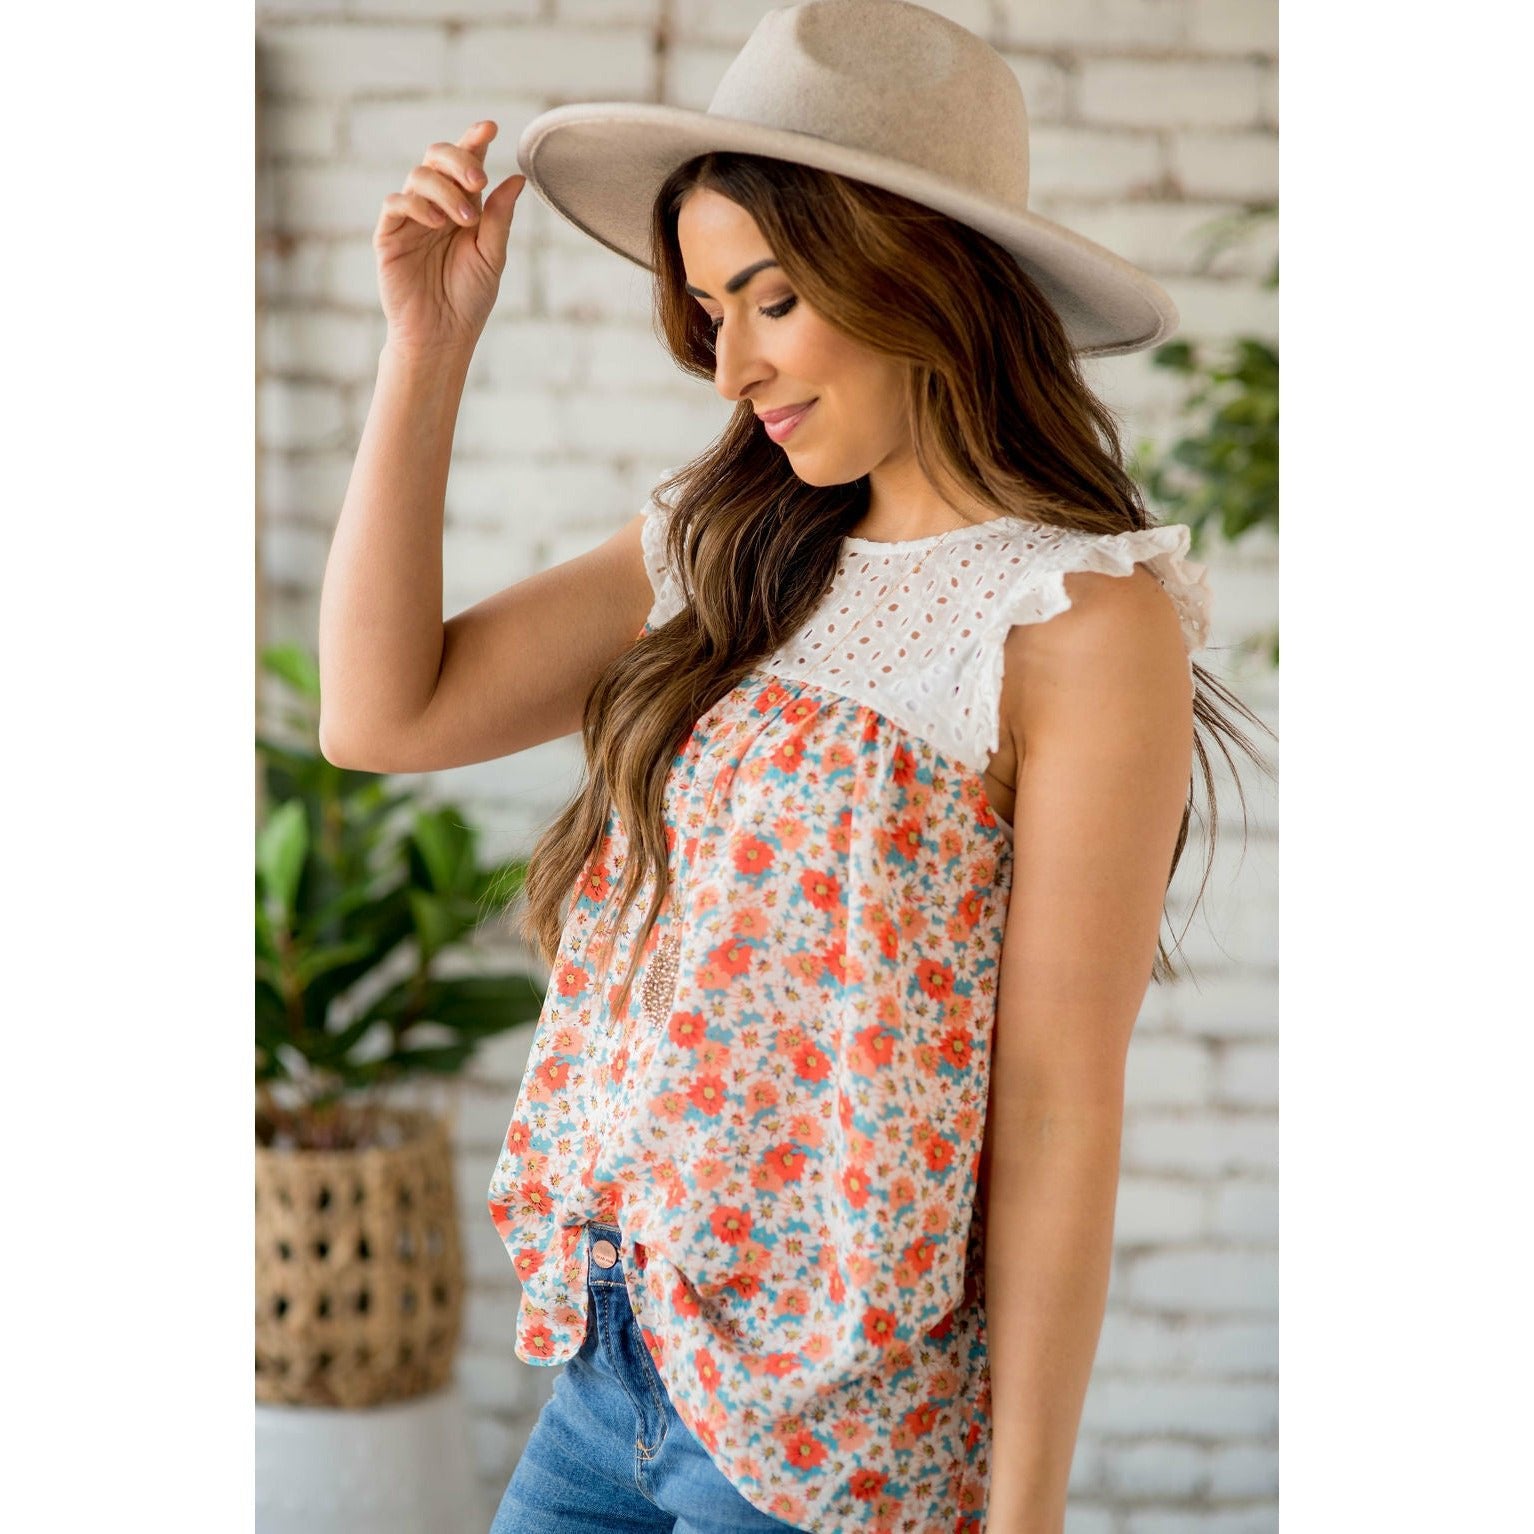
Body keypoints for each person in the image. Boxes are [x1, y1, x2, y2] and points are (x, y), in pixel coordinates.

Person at [318, 4, 1273, 1531]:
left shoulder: (1075, 620)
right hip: (612, 1365)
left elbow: (1053, 1106)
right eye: (709, 309)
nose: (729, 365)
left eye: (771, 299)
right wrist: (425, 350)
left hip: (840, 1432)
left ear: (915, 274)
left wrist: (1021, 1513)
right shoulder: (716, 548)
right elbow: (382, 716)